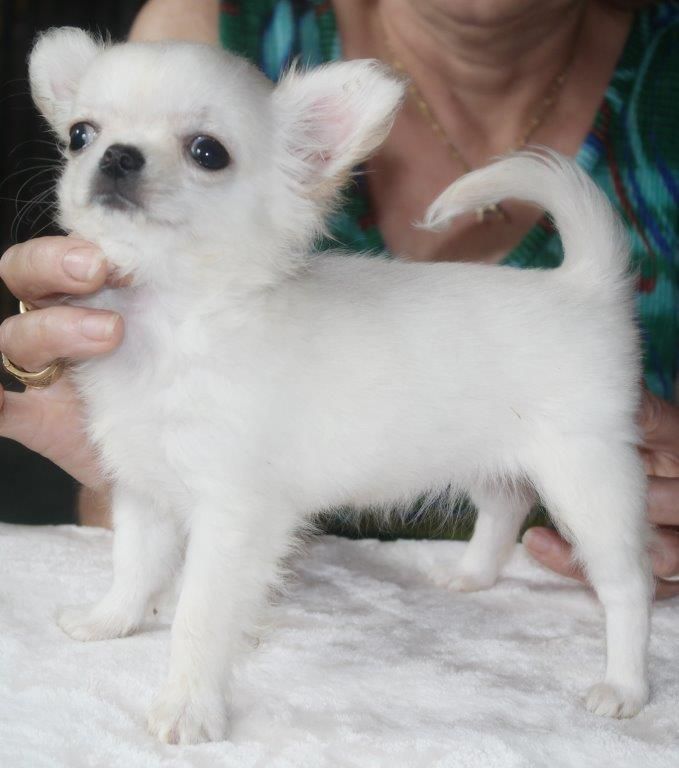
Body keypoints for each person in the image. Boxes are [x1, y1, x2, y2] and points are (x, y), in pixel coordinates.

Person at [1, 0, 677, 595]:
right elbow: (164, 500)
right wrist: (119, 430)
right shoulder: (197, 30)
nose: (118, 155)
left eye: (204, 151)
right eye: (85, 134)